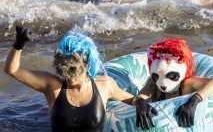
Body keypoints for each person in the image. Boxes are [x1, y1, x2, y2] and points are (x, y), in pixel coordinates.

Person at [4, 25, 134, 131]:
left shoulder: (104, 85)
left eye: (73, 73)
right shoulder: (53, 86)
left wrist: (140, 103)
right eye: (64, 73)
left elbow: (131, 99)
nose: (68, 79)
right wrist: (18, 44)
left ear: (88, 65)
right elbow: (12, 70)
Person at [131, 38, 213, 130]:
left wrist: (194, 100)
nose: (163, 83)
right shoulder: (154, 82)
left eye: (170, 75)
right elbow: (144, 93)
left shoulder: (186, 84)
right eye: (158, 76)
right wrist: (139, 101)